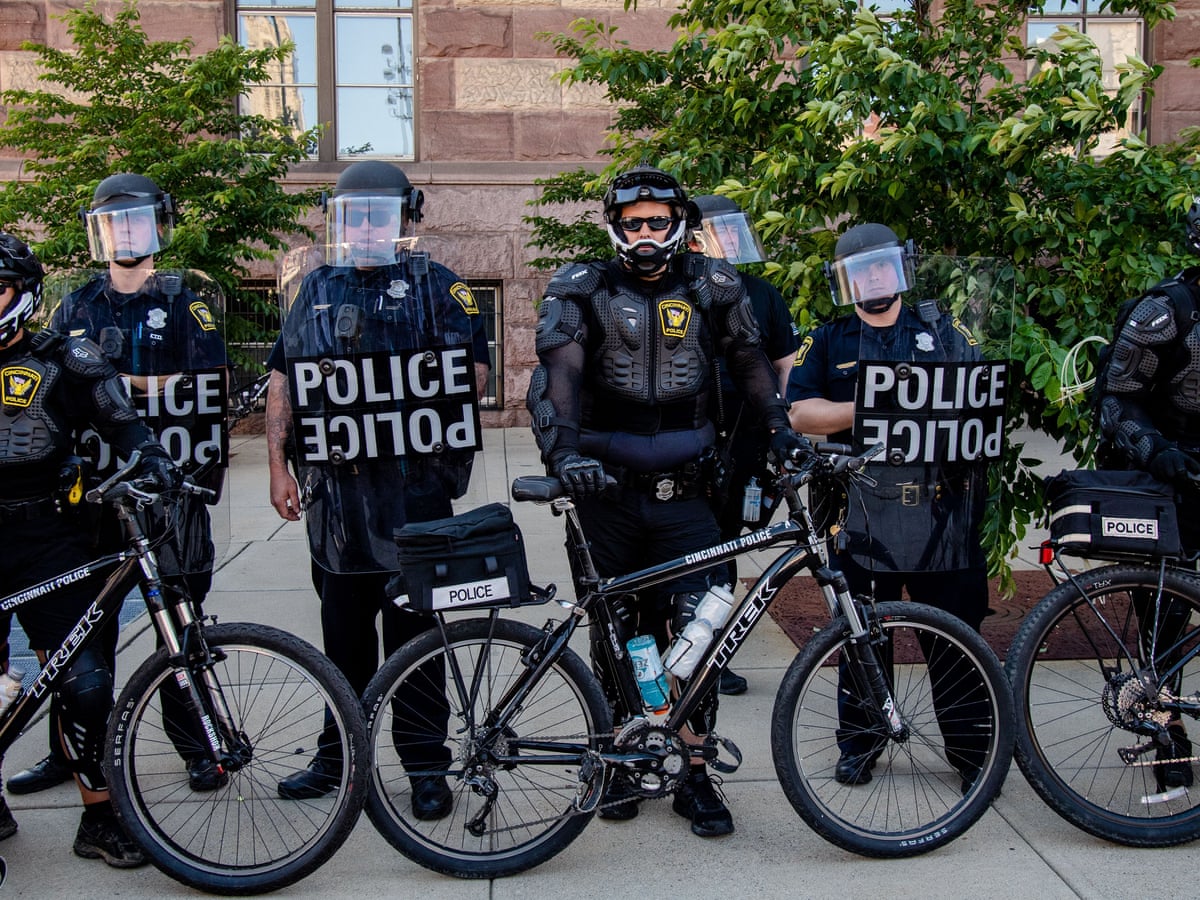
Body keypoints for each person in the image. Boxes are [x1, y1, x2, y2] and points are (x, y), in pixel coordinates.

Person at [526, 165, 808, 836]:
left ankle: (696, 773)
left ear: (679, 224)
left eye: (656, 221)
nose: (645, 233)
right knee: (622, 637)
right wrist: (564, 456)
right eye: (632, 223)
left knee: (695, 636)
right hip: (608, 495)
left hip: (690, 495)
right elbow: (557, 376)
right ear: (615, 227)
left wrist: (779, 434)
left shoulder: (715, 285)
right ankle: (623, 760)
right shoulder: (581, 287)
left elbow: (752, 369)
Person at [266, 161, 489, 818]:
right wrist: (278, 464)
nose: (364, 226)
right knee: (344, 639)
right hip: (336, 502)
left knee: (416, 640)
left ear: (406, 218)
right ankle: (340, 757)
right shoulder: (316, 289)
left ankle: (425, 766)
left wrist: (389, 398)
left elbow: (471, 375)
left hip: (414, 497)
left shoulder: (439, 288)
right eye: (352, 215)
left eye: (378, 214)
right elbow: (284, 376)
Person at [8, 173, 230, 797]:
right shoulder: (73, 305)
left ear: (158, 225)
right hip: (87, 499)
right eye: (112, 225)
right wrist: (130, 387)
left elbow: (201, 385)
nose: (124, 236)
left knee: (180, 626)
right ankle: (72, 753)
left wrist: (115, 386)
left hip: (166, 491)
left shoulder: (189, 303)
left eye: (134, 222)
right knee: (79, 637)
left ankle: (196, 746)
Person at [787, 223, 991, 790]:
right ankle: (861, 744)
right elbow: (800, 413)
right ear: (846, 280)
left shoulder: (943, 330)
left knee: (953, 637)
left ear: (900, 268)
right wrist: (873, 402)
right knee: (862, 641)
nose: (873, 280)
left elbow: (978, 398)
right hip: (858, 513)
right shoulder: (829, 338)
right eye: (861, 272)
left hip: (939, 513)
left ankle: (972, 749)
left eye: (881, 268)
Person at [0, 232, 180, 865]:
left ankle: (99, 819)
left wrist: (153, 458)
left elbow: (123, 420)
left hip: (50, 533)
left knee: (84, 683)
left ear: (22, 293)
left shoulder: (67, 357)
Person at [1095, 197, 1200, 791]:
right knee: (1163, 621)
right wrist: (1157, 450)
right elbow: (1116, 397)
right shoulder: (1166, 312)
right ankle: (1168, 745)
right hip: (1171, 473)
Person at [690, 194, 800, 696]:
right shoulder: (677, 290)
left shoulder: (762, 293)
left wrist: (776, 427)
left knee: (727, 543)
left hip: (748, 441)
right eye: (719, 231)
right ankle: (692, 652)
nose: (729, 240)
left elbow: (784, 366)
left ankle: (712, 653)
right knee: (693, 547)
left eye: (735, 230)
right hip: (689, 441)